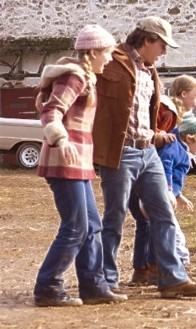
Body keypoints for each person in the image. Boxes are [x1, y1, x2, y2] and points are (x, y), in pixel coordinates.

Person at [92, 16, 196, 298]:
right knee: (114, 217)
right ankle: (105, 281)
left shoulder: (150, 70)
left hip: (147, 151)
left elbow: (143, 114)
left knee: (164, 212)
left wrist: (156, 135)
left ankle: (171, 279)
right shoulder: (112, 60)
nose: (164, 52)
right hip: (120, 153)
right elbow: (93, 100)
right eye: (162, 45)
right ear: (146, 39)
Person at [33, 24, 128, 307]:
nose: (110, 58)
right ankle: (48, 286)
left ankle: (93, 286)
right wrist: (61, 140)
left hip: (79, 162)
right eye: (108, 53)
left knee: (92, 225)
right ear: (92, 52)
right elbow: (51, 111)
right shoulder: (75, 78)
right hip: (64, 161)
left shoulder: (88, 77)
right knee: (75, 226)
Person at [130, 75, 196, 284]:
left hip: (140, 171)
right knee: (160, 222)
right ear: (183, 94)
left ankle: (143, 270)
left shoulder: (173, 121)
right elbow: (162, 159)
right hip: (145, 173)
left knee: (146, 223)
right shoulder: (168, 112)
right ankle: (162, 269)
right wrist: (167, 189)